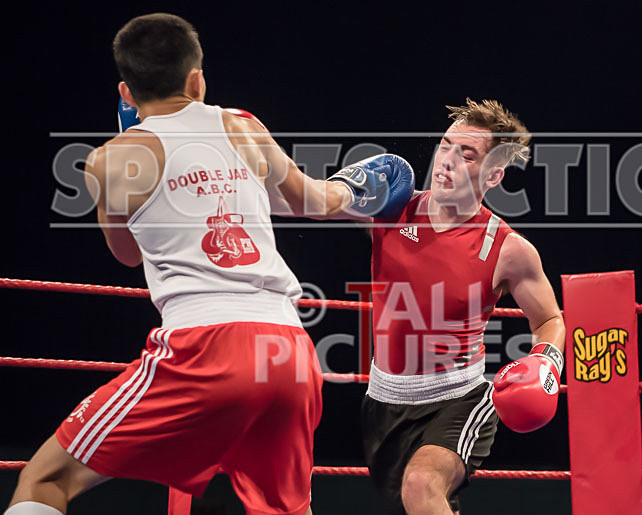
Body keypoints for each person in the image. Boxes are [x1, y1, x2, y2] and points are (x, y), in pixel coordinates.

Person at [4, 13, 412, 515]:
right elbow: (314, 200)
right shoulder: (243, 126)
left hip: (205, 347)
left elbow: (127, 253)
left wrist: (131, 139)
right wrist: (357, 187)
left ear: (125, 91)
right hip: (289, 351)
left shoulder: (108, 161)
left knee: (45, 479)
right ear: (197, 79)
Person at [361, 98, 566, 514]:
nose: (447, 160)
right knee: (422, 502)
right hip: (383, 400)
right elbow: (313, 202)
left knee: (421, 487)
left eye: (466, 153)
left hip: (459, 398)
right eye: (447, 145)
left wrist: (545, 365)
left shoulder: (507, 249)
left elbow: (549, 319)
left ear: (494, 174)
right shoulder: (392, 209)